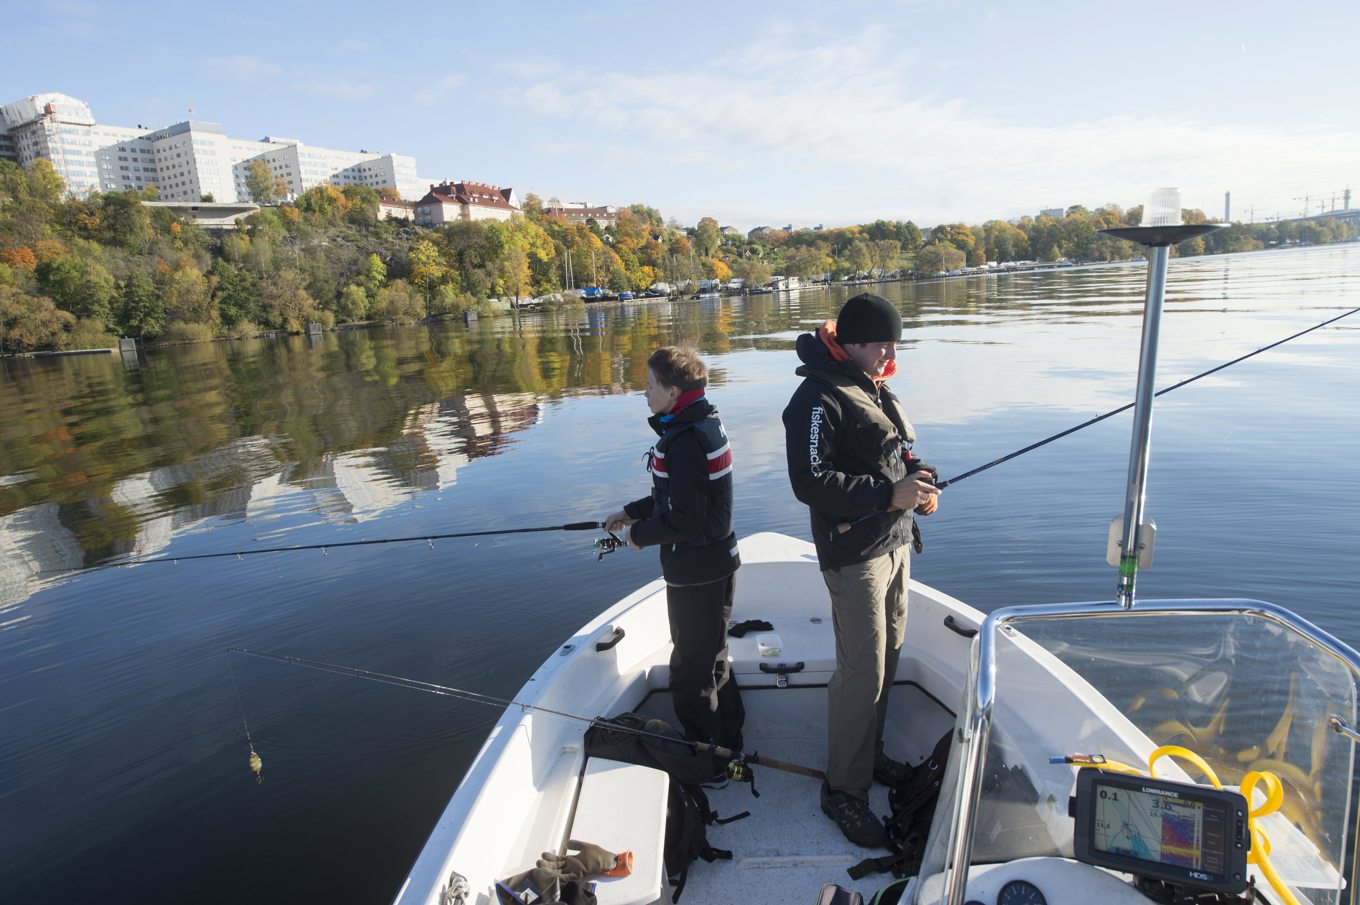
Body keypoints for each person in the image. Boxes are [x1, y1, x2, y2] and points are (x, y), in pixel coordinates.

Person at [781, 293, 941, 847]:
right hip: (854, 556)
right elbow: (809, 481)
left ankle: (869, 759)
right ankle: (843, 792)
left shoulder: (871, 383)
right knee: (862, 670)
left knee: (890, 654)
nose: (890, 351)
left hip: (895, 543)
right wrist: (887, 492)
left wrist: (920, 484)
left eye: (894, 342)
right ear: (850, 342)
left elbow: (896, 452)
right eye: (881, 343)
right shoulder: (816, 398)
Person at [605, 347, 744, 770]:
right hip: (717, 562)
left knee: (689, 673)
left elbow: (685, 519)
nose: (644, 394)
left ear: (671, 390)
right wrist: (634, 511)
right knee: (713, 658)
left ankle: (708, 761)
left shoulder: (684, 441)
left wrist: (638, 537)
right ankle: (730, 745)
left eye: (649, 386)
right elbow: (679, 496)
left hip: (696, 572)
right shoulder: (701, 423)